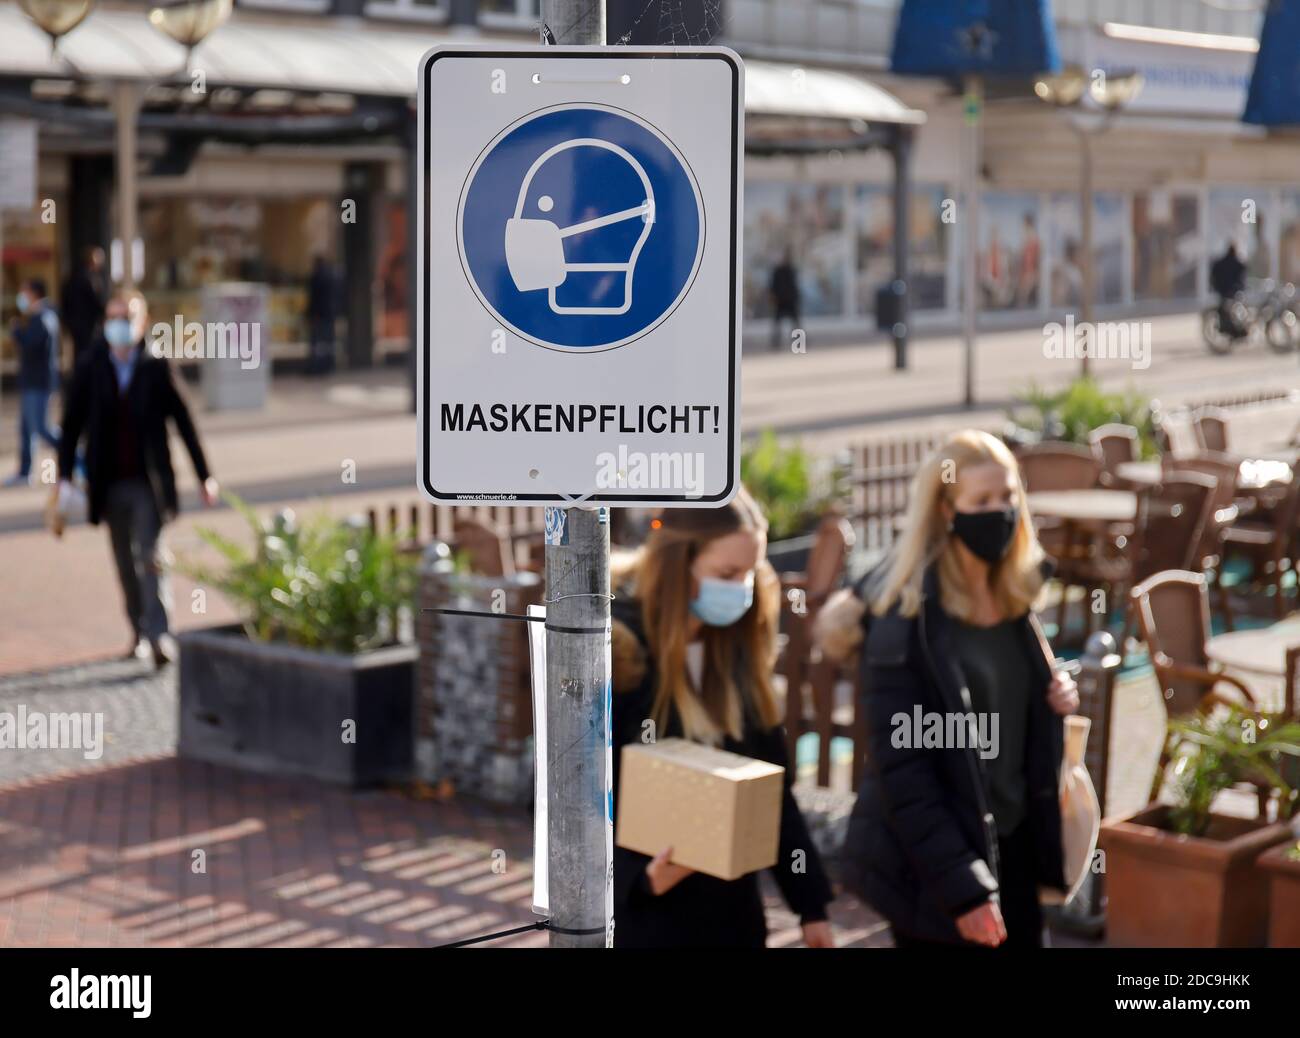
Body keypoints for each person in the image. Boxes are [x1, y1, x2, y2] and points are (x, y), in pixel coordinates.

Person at [815, 430, 1078, 948]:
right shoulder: (906, 616)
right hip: (937, 870)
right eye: (981, 500)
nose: (1000, 511)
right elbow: (905, 773)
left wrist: (1054, 700)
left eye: (1007, 497)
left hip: (1014, 848)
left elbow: (1009, 706)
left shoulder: (1013, 595)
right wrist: (964, 890)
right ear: (945, 510)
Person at [610, 486, 835, 947]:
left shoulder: (737, 649)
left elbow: (772, 794)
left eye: (750, 573)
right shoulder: (617, 655)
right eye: (727, 573)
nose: (741, 590)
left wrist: (811, 906)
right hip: (648, 925)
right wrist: (643, 879)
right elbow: (578, 803)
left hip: (733, 918)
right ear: (677, 565)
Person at [57, 290, 219, 667]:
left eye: (126, 316)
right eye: (113, 317)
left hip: (148, 482)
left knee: (150, 556)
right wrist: (63, 476)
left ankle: (160, 635)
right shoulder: (91, 365)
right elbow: (71, 425)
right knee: (124, 562)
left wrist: (204, 475)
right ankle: (138, 631)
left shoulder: (156, 366)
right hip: (108, 482)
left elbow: (184, 422)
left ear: (142, 322)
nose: (119, 324)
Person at [5, 279, 62, 487]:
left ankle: (77, 457)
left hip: (38, 384)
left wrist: (17, 332)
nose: (22, 297)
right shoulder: (39, 316)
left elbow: (32, 345)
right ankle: (24, 472)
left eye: (24, 292)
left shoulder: (44, 317)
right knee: (26, 428)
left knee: (42, 429)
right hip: (32, 382)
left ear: (34, 293)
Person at [61, 246, 108, 366]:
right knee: (84, 352)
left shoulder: (82, 276)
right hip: (84, 324)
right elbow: (93, 300)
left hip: (80, 323)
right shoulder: (86, 277)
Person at [306, 255, 337, 374]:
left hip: (319, 315)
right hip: (328, 314)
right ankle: (327, 365)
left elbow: (314, 299)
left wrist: (311, 313)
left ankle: (317, 366)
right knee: (326, 342)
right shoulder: (330, 276)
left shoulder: (317, 277)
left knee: (318, 343)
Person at [1210, 242, 1247, 338]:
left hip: (1223, 293)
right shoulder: (1236, 263)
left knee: (1226, 312)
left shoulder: (1220, 263)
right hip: (1232, 293)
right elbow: (1243, 271)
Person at [768, 249, 801, 351]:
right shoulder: (777, 271)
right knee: (778, 323)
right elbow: (773, 286)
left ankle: (799, 343)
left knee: (795, 322)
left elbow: (794, 285)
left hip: (790, 300)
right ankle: (776, 343)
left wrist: (796, 297)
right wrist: (773, 297)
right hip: (781, 301)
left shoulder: (791, 270)